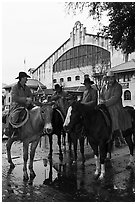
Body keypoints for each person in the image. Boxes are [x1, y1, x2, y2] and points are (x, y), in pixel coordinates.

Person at [100, 71, 132, 147]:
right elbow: (101, 95)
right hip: (105, 105)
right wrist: (101, 101)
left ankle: (117, 133)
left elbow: (115, 98)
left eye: (111, 78)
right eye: (108, 78)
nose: (110, 80)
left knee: (113, 115)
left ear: (114, 78)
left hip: (115, 106)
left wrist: (105, 102)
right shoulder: (104, 87)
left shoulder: (118, 86)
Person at [5, 71, 33, 138]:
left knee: (36, 111)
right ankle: (14, 131)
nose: (27, 79)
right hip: (17, 105)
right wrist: (26, 99)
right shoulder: (15, 87)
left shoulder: (27, 88)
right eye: (26, 78)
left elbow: (30, 95)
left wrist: (30, 100)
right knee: (15, 116)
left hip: (26, 105)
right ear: (22, 78)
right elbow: (15, 97)